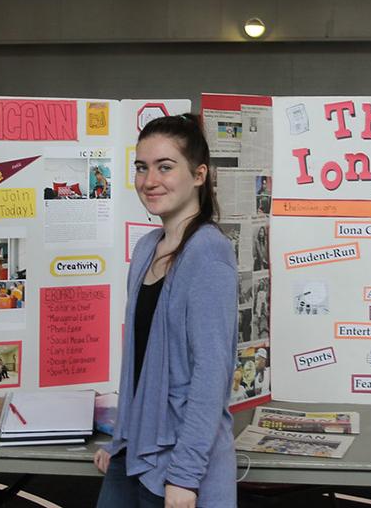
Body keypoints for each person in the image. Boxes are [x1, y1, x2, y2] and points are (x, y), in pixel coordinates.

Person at [94, 114, 237, 508]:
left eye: (165, 167)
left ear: (198, 175)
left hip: (179, 465)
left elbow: (211, 376)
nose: (149, 180)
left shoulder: (208, 256)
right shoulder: (146, 249)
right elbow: (139, 363)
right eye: (142, 167)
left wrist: (185, 478)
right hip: (135, 448)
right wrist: (122, 437)